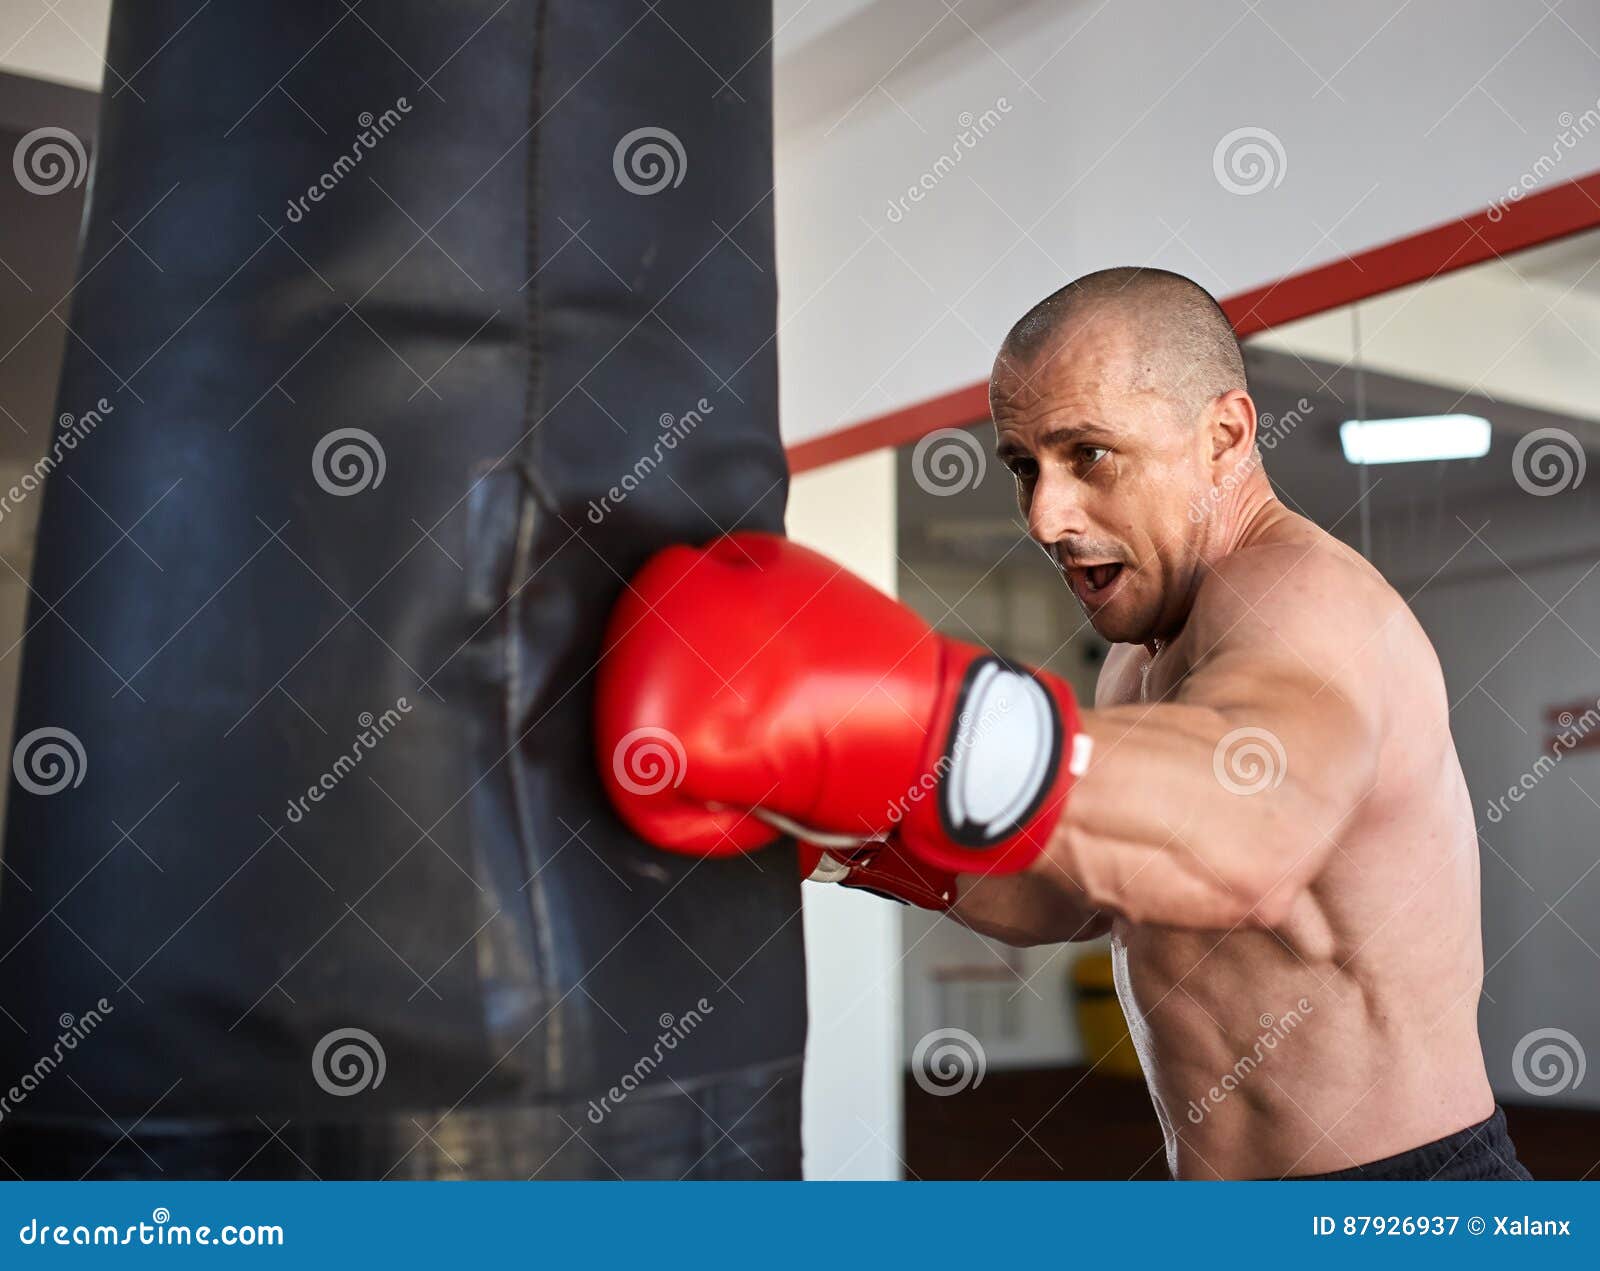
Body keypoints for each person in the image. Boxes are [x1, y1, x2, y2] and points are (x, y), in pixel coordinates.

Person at [596, 267, 1530, 1181]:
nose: (1045, 515)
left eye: (1089, 454)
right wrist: (841, 828)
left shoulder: (1299, 594)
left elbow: (1255, 819)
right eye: (1024, 466)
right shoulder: (1143, 656)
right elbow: (1068, 898)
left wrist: (920, 719)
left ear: (1226, 435)